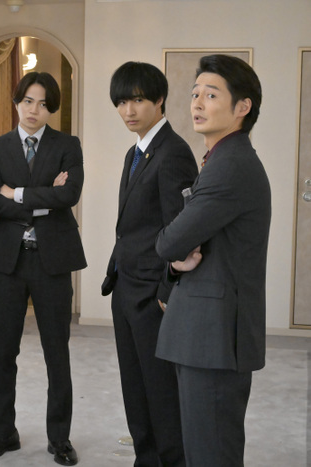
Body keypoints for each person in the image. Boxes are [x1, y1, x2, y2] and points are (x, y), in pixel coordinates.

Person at [155, 54, 270, 467]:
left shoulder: (230, 166)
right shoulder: (220, 159)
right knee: (203, 448)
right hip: (206, 333)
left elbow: (171, 241)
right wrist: (176, 259)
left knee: (211, 453)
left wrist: (172, 251)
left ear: (243, 107)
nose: (198, 103)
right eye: (195, 94)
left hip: (215, 337)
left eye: (212, 95)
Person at [0, 71, 86, 466]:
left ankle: (60, 439)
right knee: (4, 352)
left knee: (57, 352)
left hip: (52, 261)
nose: (33, 110)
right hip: (9, 262)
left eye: (41, 103)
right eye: (27, 101)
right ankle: (3, 433)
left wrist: (18, 193)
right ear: (16, 102)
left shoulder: (67, 145)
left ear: (50, 108)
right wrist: (45, 197)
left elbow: (69, 194)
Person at [101, 61, 198, 466]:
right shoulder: (135, 151)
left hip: (152, 293)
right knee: (134, 387)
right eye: (122, 102)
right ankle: (146, 459)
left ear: (159, 100)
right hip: (126, 287)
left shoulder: (173, 152)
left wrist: (165, 291)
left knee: (160, 391)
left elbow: (181, 229)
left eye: (138, 100)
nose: (128, 110)